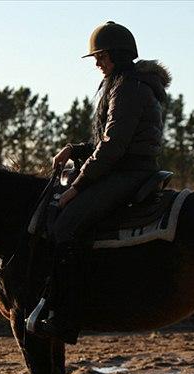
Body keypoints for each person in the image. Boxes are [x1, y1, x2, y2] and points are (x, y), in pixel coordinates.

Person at [28, 21, 171, 344]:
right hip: (126, 167)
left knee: (65, 225)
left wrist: (77, 186)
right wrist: (76, 150)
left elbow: (113, 147)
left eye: (101, 56)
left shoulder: (128, 87)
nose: (97, 63)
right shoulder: (124, 83)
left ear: (116, 56)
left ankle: (66, 317)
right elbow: (111, 140)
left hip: (129, 173)